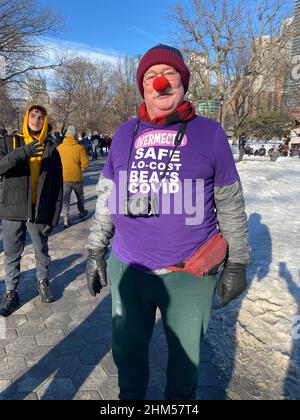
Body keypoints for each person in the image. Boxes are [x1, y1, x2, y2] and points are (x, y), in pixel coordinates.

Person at [85, 44, 250, 400]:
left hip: (189, 275)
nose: (160, 83)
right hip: (129, 269)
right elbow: (106, 197)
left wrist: (238, 260)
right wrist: (96, 249)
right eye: (150, 77)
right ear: (142, 87)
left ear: (184, 84)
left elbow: (231, 203)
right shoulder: (124, 134)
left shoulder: (210, 133)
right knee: (127, 357)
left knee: (184, 366)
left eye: (170, 75)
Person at [0, 105, 63, 317]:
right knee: (11, 253)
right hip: (12, 209)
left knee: (41, 250)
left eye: (41, 117)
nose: (36, 120)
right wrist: (22, 153)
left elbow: (57, 185)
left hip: (39, 210)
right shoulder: (10, 141)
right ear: (27, 118)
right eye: (33, 116)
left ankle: (43, 282)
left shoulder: (51, 148)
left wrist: (54, 217)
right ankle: (11, 292)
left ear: (45, 121)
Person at [57, 125, 89, 228]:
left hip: (64, 178)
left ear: (66, 135)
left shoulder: (60, 148)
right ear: (75, 135)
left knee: (65, 199)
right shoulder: (80, 148)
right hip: (77, 178)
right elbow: (85, 165)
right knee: (80, 196)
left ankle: (66, 219)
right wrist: (81, 168)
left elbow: (56, 163)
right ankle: (81, 211)